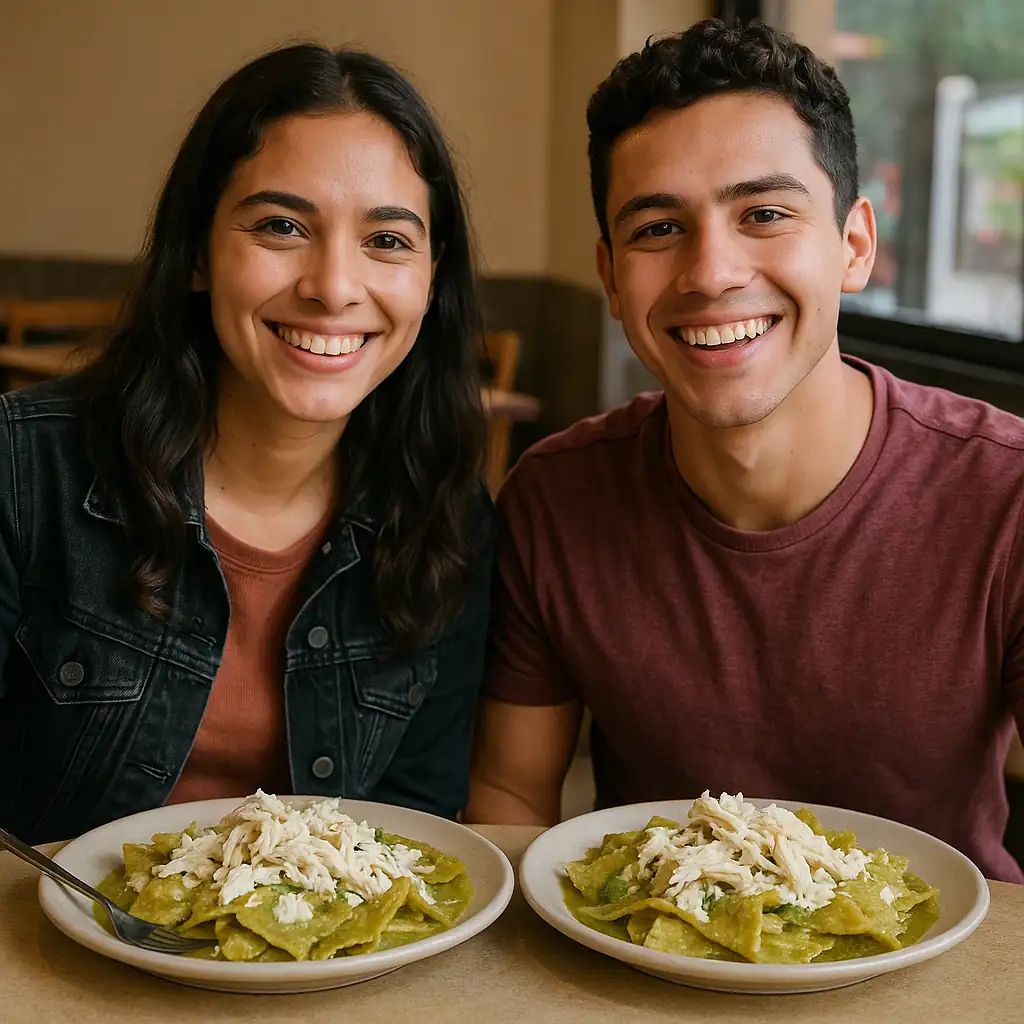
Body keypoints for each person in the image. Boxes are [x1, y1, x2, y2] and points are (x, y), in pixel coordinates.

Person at [467, 18, 1024, 882]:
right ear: (611, 278)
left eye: (764, 213)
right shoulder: (555, 498)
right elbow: (508, 800)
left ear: (855, 245)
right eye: (657, 228)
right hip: (648, 975)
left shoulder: (1005, 493)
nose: (712, 271)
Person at [0, 44, 493, 843]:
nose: (333, 286)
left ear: (432, 279)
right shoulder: (23, 471)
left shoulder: (445, 512)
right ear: (197, 251)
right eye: (281, 226)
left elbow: (415, 826)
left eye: (388, 240)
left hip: (318, 964)